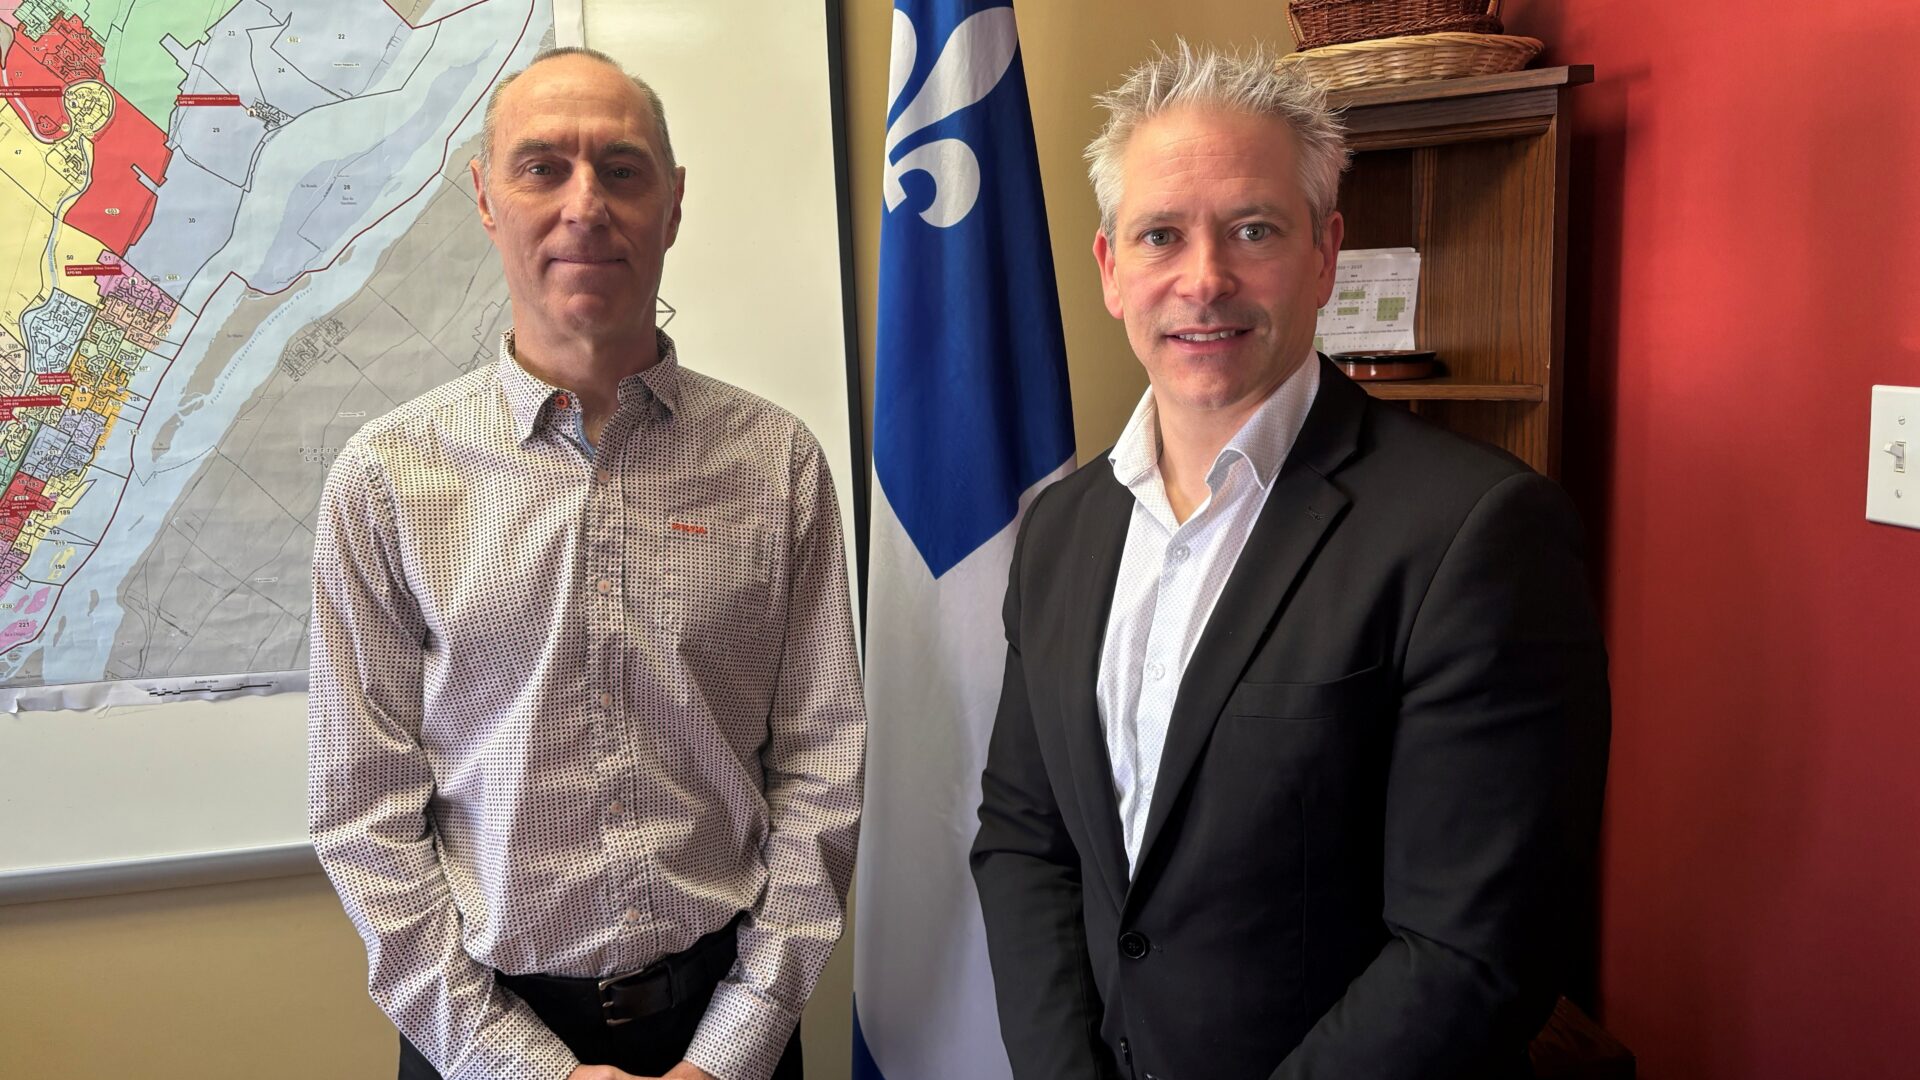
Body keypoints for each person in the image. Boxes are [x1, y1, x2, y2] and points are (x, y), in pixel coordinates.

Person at [971, 41, 1610, 1080]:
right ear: (1111, 271)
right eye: (1161, 235)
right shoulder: (1062, 528)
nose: (1205, 278)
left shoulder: (1478, 533)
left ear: (1325, 254)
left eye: (1254, 229)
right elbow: (1025, 836)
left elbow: (1471, 952)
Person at [308, 47, 863, 1080]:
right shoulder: (386, 480)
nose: (584, 204)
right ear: (485, 196)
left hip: (728, 1027)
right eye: (541, 168)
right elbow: (361, 812)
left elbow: (824, 773)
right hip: (480, 1038)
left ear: (674, 203)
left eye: (621, 168)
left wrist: (733, 1048)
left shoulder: (776, 465)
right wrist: (523, 1067)